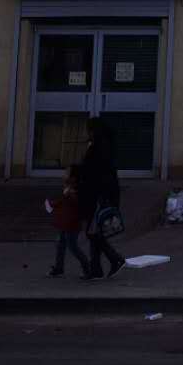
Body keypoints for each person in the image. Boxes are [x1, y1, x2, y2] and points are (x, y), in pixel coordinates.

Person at [79, 118, 125, 280]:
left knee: (93, 233)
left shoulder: (98, 148)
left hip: (99, 197)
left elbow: (94, 173)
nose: (87, 133)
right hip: (102, 196)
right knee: (95, 232)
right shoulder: (104, 147)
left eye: (89, 130)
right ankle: (96, 269)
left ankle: (114, 258)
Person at [47, 165, 90, 278]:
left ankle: (87, 267)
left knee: (72, 246)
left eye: (67, 172)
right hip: (65, 221)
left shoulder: (75, 188)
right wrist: (53, 204)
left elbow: (76, 204)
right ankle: (59, 267)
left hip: (72, 222)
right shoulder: (68, 186)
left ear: (73, 176)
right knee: (60, 244)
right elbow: (64, 202)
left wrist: (69, 195)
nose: (64, 174)